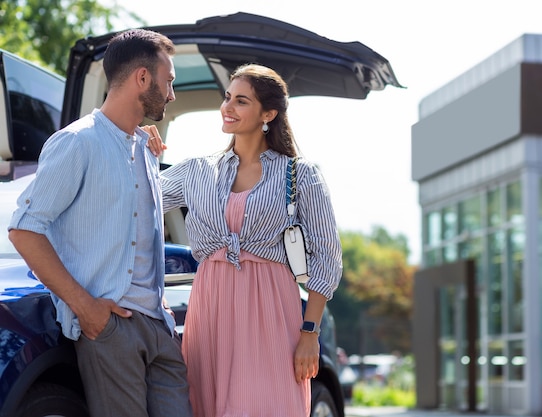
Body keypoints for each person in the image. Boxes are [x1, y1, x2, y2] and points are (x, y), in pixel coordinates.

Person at [8, 29, 192, 417]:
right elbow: (24, 228)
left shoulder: (145, 149)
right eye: (168, 80)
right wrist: (84, 307)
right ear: (142, 78)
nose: (172, 93)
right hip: (111, 330)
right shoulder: (77, 142)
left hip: (159, 327)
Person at [153, 63, 342, 417]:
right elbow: (136, 198)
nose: (227, 107)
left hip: (271, 311)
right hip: (210, 308)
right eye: (227, 98)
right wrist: (140, 152)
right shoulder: (197, 170)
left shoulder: (301, 175)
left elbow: (327, 258)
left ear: (268, 113)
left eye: (241, 101)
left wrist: (310, 334)